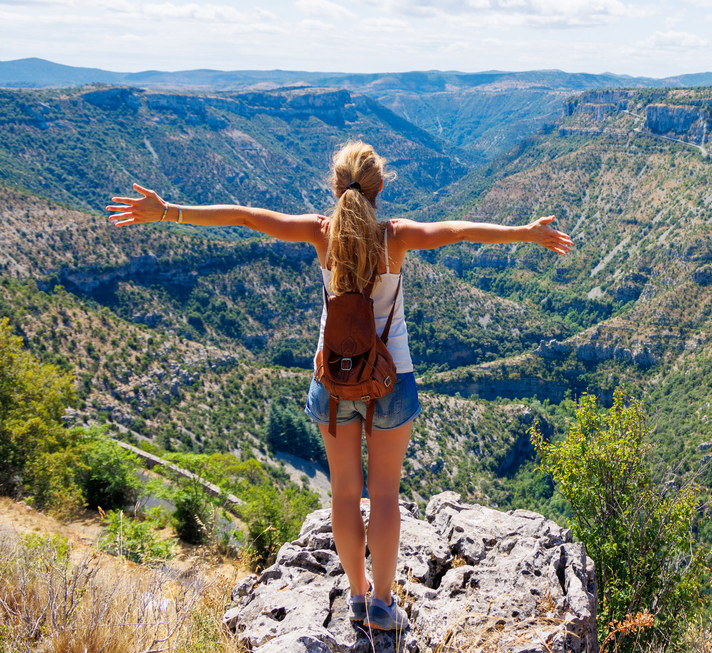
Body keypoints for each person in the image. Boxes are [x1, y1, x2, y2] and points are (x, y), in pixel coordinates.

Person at [107, 141, 572, 631]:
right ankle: (384, 606)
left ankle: (356, 597)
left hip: (332, 381)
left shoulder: (319, 232)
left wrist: (167, 212)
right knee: (386, 495)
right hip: (392, 380)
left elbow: (245, 217)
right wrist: (524, 233)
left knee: (345, 495)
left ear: (335, 186)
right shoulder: (396, 237)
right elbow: (458, 231)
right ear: (381, 188)